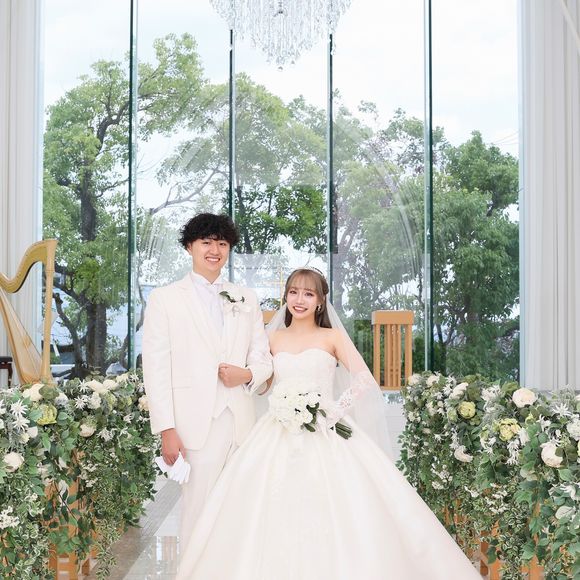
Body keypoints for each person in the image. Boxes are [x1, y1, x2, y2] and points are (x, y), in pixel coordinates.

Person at [176, 267, 480, 580]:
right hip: (277, 429)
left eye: (308, 294)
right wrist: (255, 383)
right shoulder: (272, 337)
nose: (299, 300)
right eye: (294, 292)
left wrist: (333, 411)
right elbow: (265, 383)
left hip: (326, 428)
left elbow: (363, 378)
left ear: (320, 301)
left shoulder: (332, 336)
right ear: (286, 297)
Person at [142, 213, 273, 549]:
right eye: (206, 242)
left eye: (222, 243)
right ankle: (191, 570)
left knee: (240, 516)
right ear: (190, 247)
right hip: (195, 426)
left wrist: (247, 374)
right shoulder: (165, 298)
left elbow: (263, 358)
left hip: (242, 423)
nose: (215, 250)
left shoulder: (246, 297)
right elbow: (156, 368)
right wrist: (166, 429)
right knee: (197, 514)